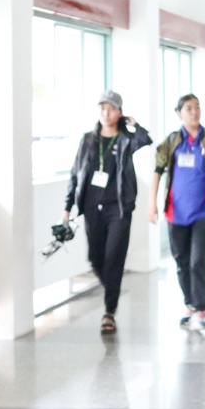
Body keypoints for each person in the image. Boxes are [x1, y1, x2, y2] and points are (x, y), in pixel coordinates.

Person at [63, 89, 149, 334]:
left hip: (119, 209)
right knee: (95, 258)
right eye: (102, 107)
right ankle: (113, 287)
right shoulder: (88, 139)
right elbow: (75, 173)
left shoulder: (125, 140)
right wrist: (68, 206)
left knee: (114, 257)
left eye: (111, 108)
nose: (105, 112)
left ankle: (109, 310)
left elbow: (144, 140)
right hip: (91, 208)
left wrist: (134, 124)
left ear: (119, 112)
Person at [149, 93, 205, 329]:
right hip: (175, 212)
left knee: (198, 260)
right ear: (179, 113)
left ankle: (200, 308)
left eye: (197, 107)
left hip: (204, 211)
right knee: (181, 260)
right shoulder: (172, 141)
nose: (194, 112)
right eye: (188, 108)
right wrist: (152, 204)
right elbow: (157, 172)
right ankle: (190, 303)